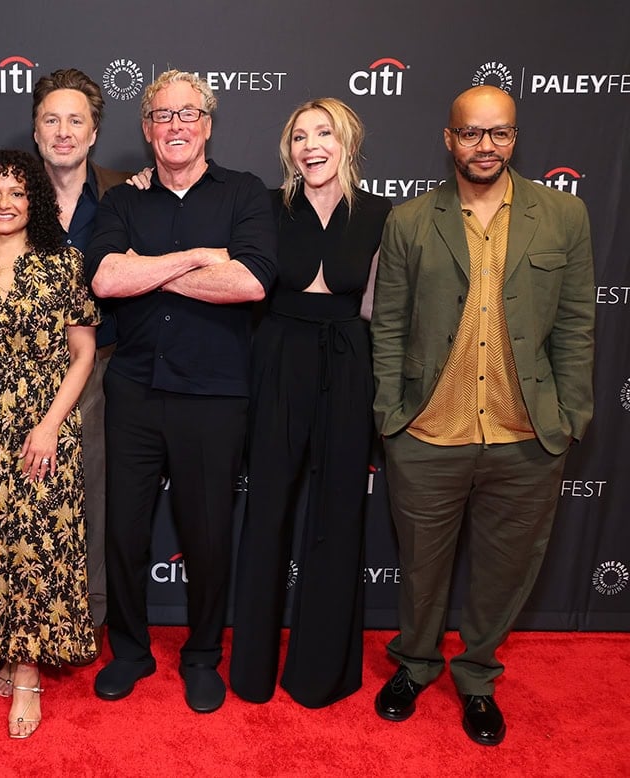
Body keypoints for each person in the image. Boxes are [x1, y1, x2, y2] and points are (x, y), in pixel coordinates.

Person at [370, 85, 594, 746]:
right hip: (427, 432)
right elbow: (388, 326)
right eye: (471, 133)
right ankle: (415, 662)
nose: (486, 145)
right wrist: (391, 416)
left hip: (526, 434)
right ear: (450, 138)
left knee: (505, 570)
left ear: (515, 138)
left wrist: (570, 416)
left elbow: (577, 324)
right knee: (421, 569)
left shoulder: (565, 216)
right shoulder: (410, 221)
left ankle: (476, 676)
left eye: (499, 133)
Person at [86, 70, 277, 714]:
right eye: (163, 115)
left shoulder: (245, 193)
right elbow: (105, 279)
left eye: (188, 114)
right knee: (124, 531)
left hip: (214, 396)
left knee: (208, 534)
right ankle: (130, 652)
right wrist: (200, 257)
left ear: (208, 124)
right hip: (134, 390)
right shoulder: (123, 201)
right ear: (146, 128)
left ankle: (201, 655)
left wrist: (146, 270)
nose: (176, 126)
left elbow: (251, 282)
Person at [228, 98, 391, 708]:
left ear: (348, 141)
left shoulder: (381, 214)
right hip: (277, 356)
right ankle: (251, 671)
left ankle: (321, 672)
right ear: (288, 149)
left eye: (324, 133)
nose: (311, 146)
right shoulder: (266, 207)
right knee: (267, 509)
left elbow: (380, 305)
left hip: (349, 361)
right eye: (300, 136)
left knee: (339, 510)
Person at [0, 149, 98, 739]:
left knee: (37, 542)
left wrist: (50, 424)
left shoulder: (64, 263)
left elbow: (83, 354)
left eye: (17, 193)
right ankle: (8, 646)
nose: (4, 204)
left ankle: (28, 674)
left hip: (45, 424)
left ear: (36, 201)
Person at [31, 68, 133, 658]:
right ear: (36, 130)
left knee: (95, 495)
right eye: (51, 120)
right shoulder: (10, 192)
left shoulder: (125, 191)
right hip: (26, 370)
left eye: (76, 120)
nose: (63, 131)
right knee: (28, 492)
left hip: (105, 366)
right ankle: (27, 615)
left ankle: (89, 616)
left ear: (94, 132)